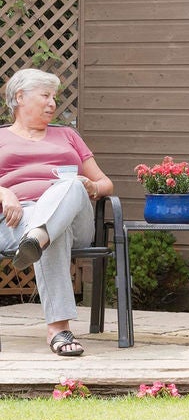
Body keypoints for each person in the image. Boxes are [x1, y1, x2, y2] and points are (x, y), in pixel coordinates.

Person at [0, 68, 113, 357]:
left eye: (54, 97)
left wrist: (91, 186)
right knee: (53, 232)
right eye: (45, 96)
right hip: (16, 219)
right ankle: (58, 331)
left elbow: (106, 183)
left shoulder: (67, 135)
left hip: (75, 219)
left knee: (71, 185)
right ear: (20, 97)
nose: (52, 103)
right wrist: (3, 192)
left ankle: (38, 236)